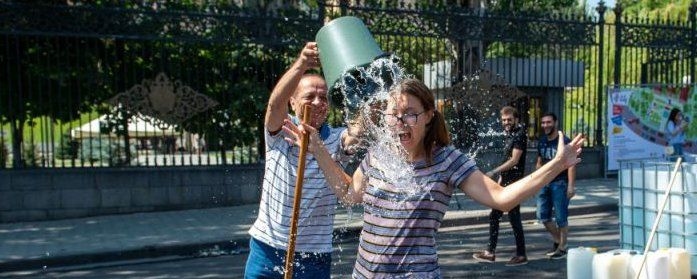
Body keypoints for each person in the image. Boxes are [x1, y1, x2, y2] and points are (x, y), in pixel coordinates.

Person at [284, 78, 584, 277]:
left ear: (429, 115)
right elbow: (349, 194)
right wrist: (317, 149)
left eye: (410, 114)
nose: (400, 123)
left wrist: (557, 165)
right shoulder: (379, 153)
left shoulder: (447, 161)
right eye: (394, 115)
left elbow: (501, 199)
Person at [244, 42, 359, 279]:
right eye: (309, 96)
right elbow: (274, 105)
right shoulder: (281, 130)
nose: (318, 103)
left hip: (313, 254)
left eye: (323, 98)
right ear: (293, 103)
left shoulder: (337, 138)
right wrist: (302, 63)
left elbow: (357, 134)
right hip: (267, 247)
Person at [472, 106, 528, 266]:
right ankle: (493, 252)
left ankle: (516, 254)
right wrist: (500, 180)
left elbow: (514, 160)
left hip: (514, 184)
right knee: (498, 216)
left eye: (509, 119)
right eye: (504, 120)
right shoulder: (510, 134)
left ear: (516, 119)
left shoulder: (519, 135)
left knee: (512, 217)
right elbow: (507, 159)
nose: (506, 122)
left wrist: (494, 171)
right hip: (506, 183)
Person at [535, 112, 576, 260]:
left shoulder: (564, 141)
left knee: (561, 217)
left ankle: (563, 247)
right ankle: (559, 241)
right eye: (543, 123)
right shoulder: (542, 141)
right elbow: (539, 162)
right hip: (545, 183)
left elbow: (571, 165)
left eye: (548, 122)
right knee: (542, 216)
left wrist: (571, 186)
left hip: (560, 183)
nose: (545, 125)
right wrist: (536, 180)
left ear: (555, 123)